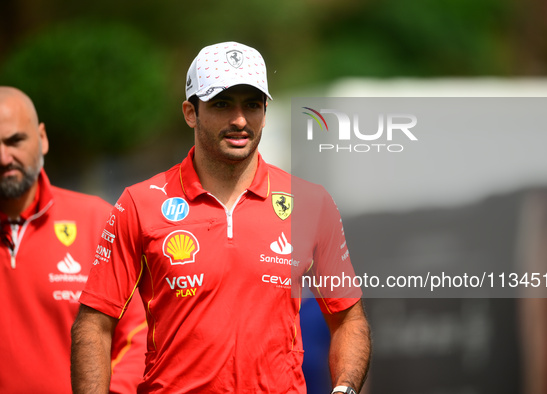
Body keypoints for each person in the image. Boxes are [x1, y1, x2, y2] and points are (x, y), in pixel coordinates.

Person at [71, 41, 371, 394]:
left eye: (253, 105)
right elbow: (93, 324)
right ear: (189, 112)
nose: (240, 120)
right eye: (222, 104)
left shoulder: (310, 203)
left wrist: (346, 389)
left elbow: (348, 317)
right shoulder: (139, 203)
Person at [0, 86, 147, 393]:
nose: (3, 158)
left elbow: (139, 332)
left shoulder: (97, 221)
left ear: (42, 138)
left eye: (15, 141)